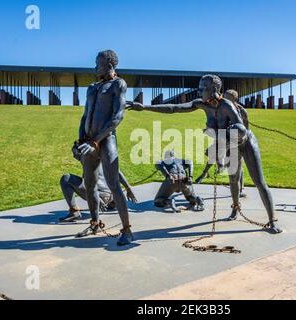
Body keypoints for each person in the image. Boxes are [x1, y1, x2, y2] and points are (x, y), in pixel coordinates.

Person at [128, 75, 281, 233]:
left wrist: (220, 144)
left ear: (214, 89)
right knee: (233, 179)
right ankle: (235, 208)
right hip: (230, 145)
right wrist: (144, 107)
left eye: (203, 88)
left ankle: (272, 220)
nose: (199, 91)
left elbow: (241, 130)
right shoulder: (201, 104)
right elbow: (174, 108)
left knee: (259, 181)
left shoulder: (226, 105)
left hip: (246, 143)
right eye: (199, 88)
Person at [75, 50, 133, 245]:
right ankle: (95, 222)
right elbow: (85, 115)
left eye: (98, 63)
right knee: (90, 184)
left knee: (113, 184)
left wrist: (96, 141)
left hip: (106, 140)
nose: (95, 67)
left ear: (109, 64)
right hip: (89, 140)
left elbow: (118, 116)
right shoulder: (92, 87)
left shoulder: (118, 84)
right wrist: (81, 140)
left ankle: (127, 230)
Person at [59, 141, 137, 222]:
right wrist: (128, 188)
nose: (74, 156)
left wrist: (97, 198)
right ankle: (111, 203)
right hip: (110, 195)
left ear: (80, 151)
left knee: (66, 178)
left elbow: (89, 182)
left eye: (74, 153)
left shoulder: (86, 158)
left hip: (99, 197)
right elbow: (116, 171)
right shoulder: (99, 154)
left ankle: (74, 212)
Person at [195, 89, 248, 198]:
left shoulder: (240, 111)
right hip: (222, 138)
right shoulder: (221, 107)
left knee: (238, 166)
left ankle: (241, 188)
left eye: (227, 97)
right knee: (212, 154)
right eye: (224, 96)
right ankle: (208, 171)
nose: (224, 99)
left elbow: (245, 130)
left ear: (234, 99)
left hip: (236, 142)